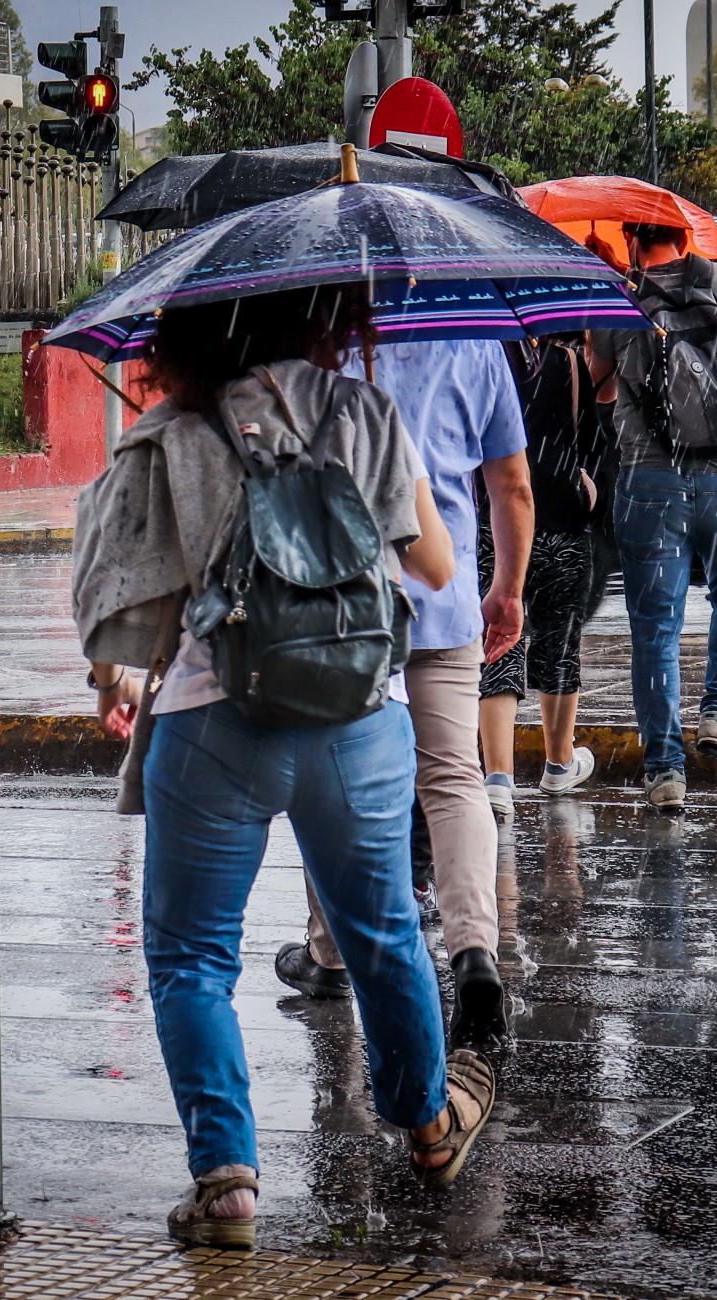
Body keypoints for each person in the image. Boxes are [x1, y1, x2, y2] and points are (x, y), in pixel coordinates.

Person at [71, 284, 496, 1250]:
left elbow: (120, 607)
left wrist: (112, 681)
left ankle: (225, 1181)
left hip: (211, 724)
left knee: (190, 959)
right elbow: (432, 568)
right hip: (357, 720)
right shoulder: (361, 408)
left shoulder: (166, 436)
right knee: (384, 929)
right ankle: (428, 1123)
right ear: (317, 315)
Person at [275, 336, 535, 1056]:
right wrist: (507, 589)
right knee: (453, 778)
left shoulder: (323, 339)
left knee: (338, 777)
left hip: (345, 601)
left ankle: (330, 955)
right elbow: (509, 482)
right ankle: (474, 955)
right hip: (444, 592)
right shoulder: (474, 344)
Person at [588, 222, 717, 812]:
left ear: (632, 238)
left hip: (651, 481)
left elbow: (598, 383)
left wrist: (603, 280)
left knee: (656, 628)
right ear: (684, 236)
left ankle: (665, 772)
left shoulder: (615, 298)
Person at [476, 335, 609, 817]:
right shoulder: (568, 362)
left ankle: (498, 776)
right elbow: (591, 441)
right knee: (560, 641)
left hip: (498, 521)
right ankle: (558, 763)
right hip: (561, 518)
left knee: (498, 643)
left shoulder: (483, 357)